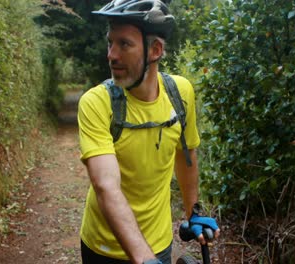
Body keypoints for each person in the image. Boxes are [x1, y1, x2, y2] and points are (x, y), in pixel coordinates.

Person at [77, 1, 220, 263]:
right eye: (110, 43)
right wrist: (144, 259)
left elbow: (185, 154)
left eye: (124, 44)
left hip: (158, 245)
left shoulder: (180, 93)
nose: (111, 54)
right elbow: (105, 185)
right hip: (104, 248)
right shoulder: (96, 102)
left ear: (155, 50)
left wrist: (194, 212)